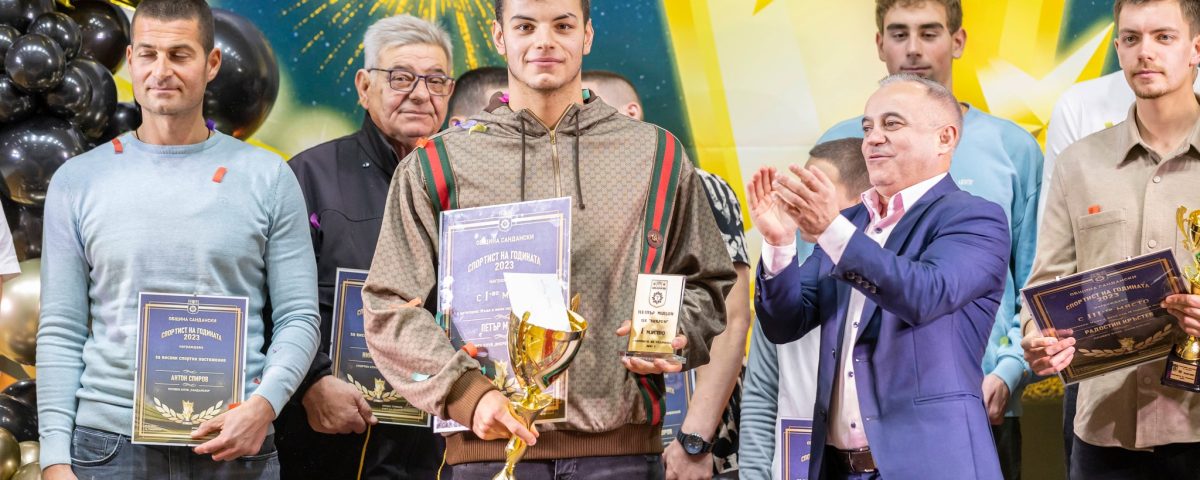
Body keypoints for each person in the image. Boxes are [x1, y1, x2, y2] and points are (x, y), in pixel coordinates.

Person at [360, 0, 737, 478]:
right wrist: (467, 395)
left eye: (562, 25)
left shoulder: (655, 154)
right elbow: (389, 305)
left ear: (587, 35)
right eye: (525, 26)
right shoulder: (437, 163)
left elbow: (706, 282)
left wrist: (672, 333)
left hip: (618, 452)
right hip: (487, 451)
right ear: (500, 37)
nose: (544, 41)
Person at [35, 1, 320, 479]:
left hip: (236, 443)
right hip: (109, 450)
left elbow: (299, 316)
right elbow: (62, 330)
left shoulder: (268, 177)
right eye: (148, 54)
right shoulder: (77, 181)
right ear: (131, 60)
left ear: (212, 63)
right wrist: (55, 459)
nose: (161, 71)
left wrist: (265, 405)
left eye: (180, 54)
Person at [817, 3, 1039, 476]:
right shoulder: (841, 144)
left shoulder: (1013, 147)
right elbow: (816, 279)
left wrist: (1009, 369)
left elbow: (1036, 276)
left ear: (958, 41)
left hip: (980, 398)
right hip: (853, 416)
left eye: (929, 32)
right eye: (899, 33)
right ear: (879, 43)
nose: (914, 48)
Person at [752, 73, 1008, 480]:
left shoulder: (974, 217)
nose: (873, 138)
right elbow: (784, 324)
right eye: (867, 127)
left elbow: (924, 293)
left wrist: (831, 229)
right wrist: (780, 244)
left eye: (892, 124)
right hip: (836, 466)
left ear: (945, 138)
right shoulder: (850, 223)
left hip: (931, 466)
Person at [1021, 0, 1200, 478]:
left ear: (1196, 49)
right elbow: (1046, 282)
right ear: (1118, 48)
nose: (1145, 52)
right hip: (1104, 430)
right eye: (1132, 38)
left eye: (1164, 37)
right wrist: (1038, 337)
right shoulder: (1079, 164)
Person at [276, 14, 453, 480]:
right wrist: (310, 384)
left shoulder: (466, 186)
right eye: (401, 77)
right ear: (363, 86)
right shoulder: (307, 176)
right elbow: (271, 298)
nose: (421, 93)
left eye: (436, 80)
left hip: (439, 442)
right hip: (333, 435)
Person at [584, 69, 753, 479]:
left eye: (593, 109)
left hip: (698, 439)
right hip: (621, 442)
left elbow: (731, 319)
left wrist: (695, 439)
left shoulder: (694, 184)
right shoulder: (589, 197)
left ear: (631, 112)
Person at [739, 138, 871, 479]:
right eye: (797, 188)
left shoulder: (895, 286)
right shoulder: (783, 288)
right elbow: (761, 395)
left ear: (864, 201)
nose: (798, 201)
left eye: (813, 190)